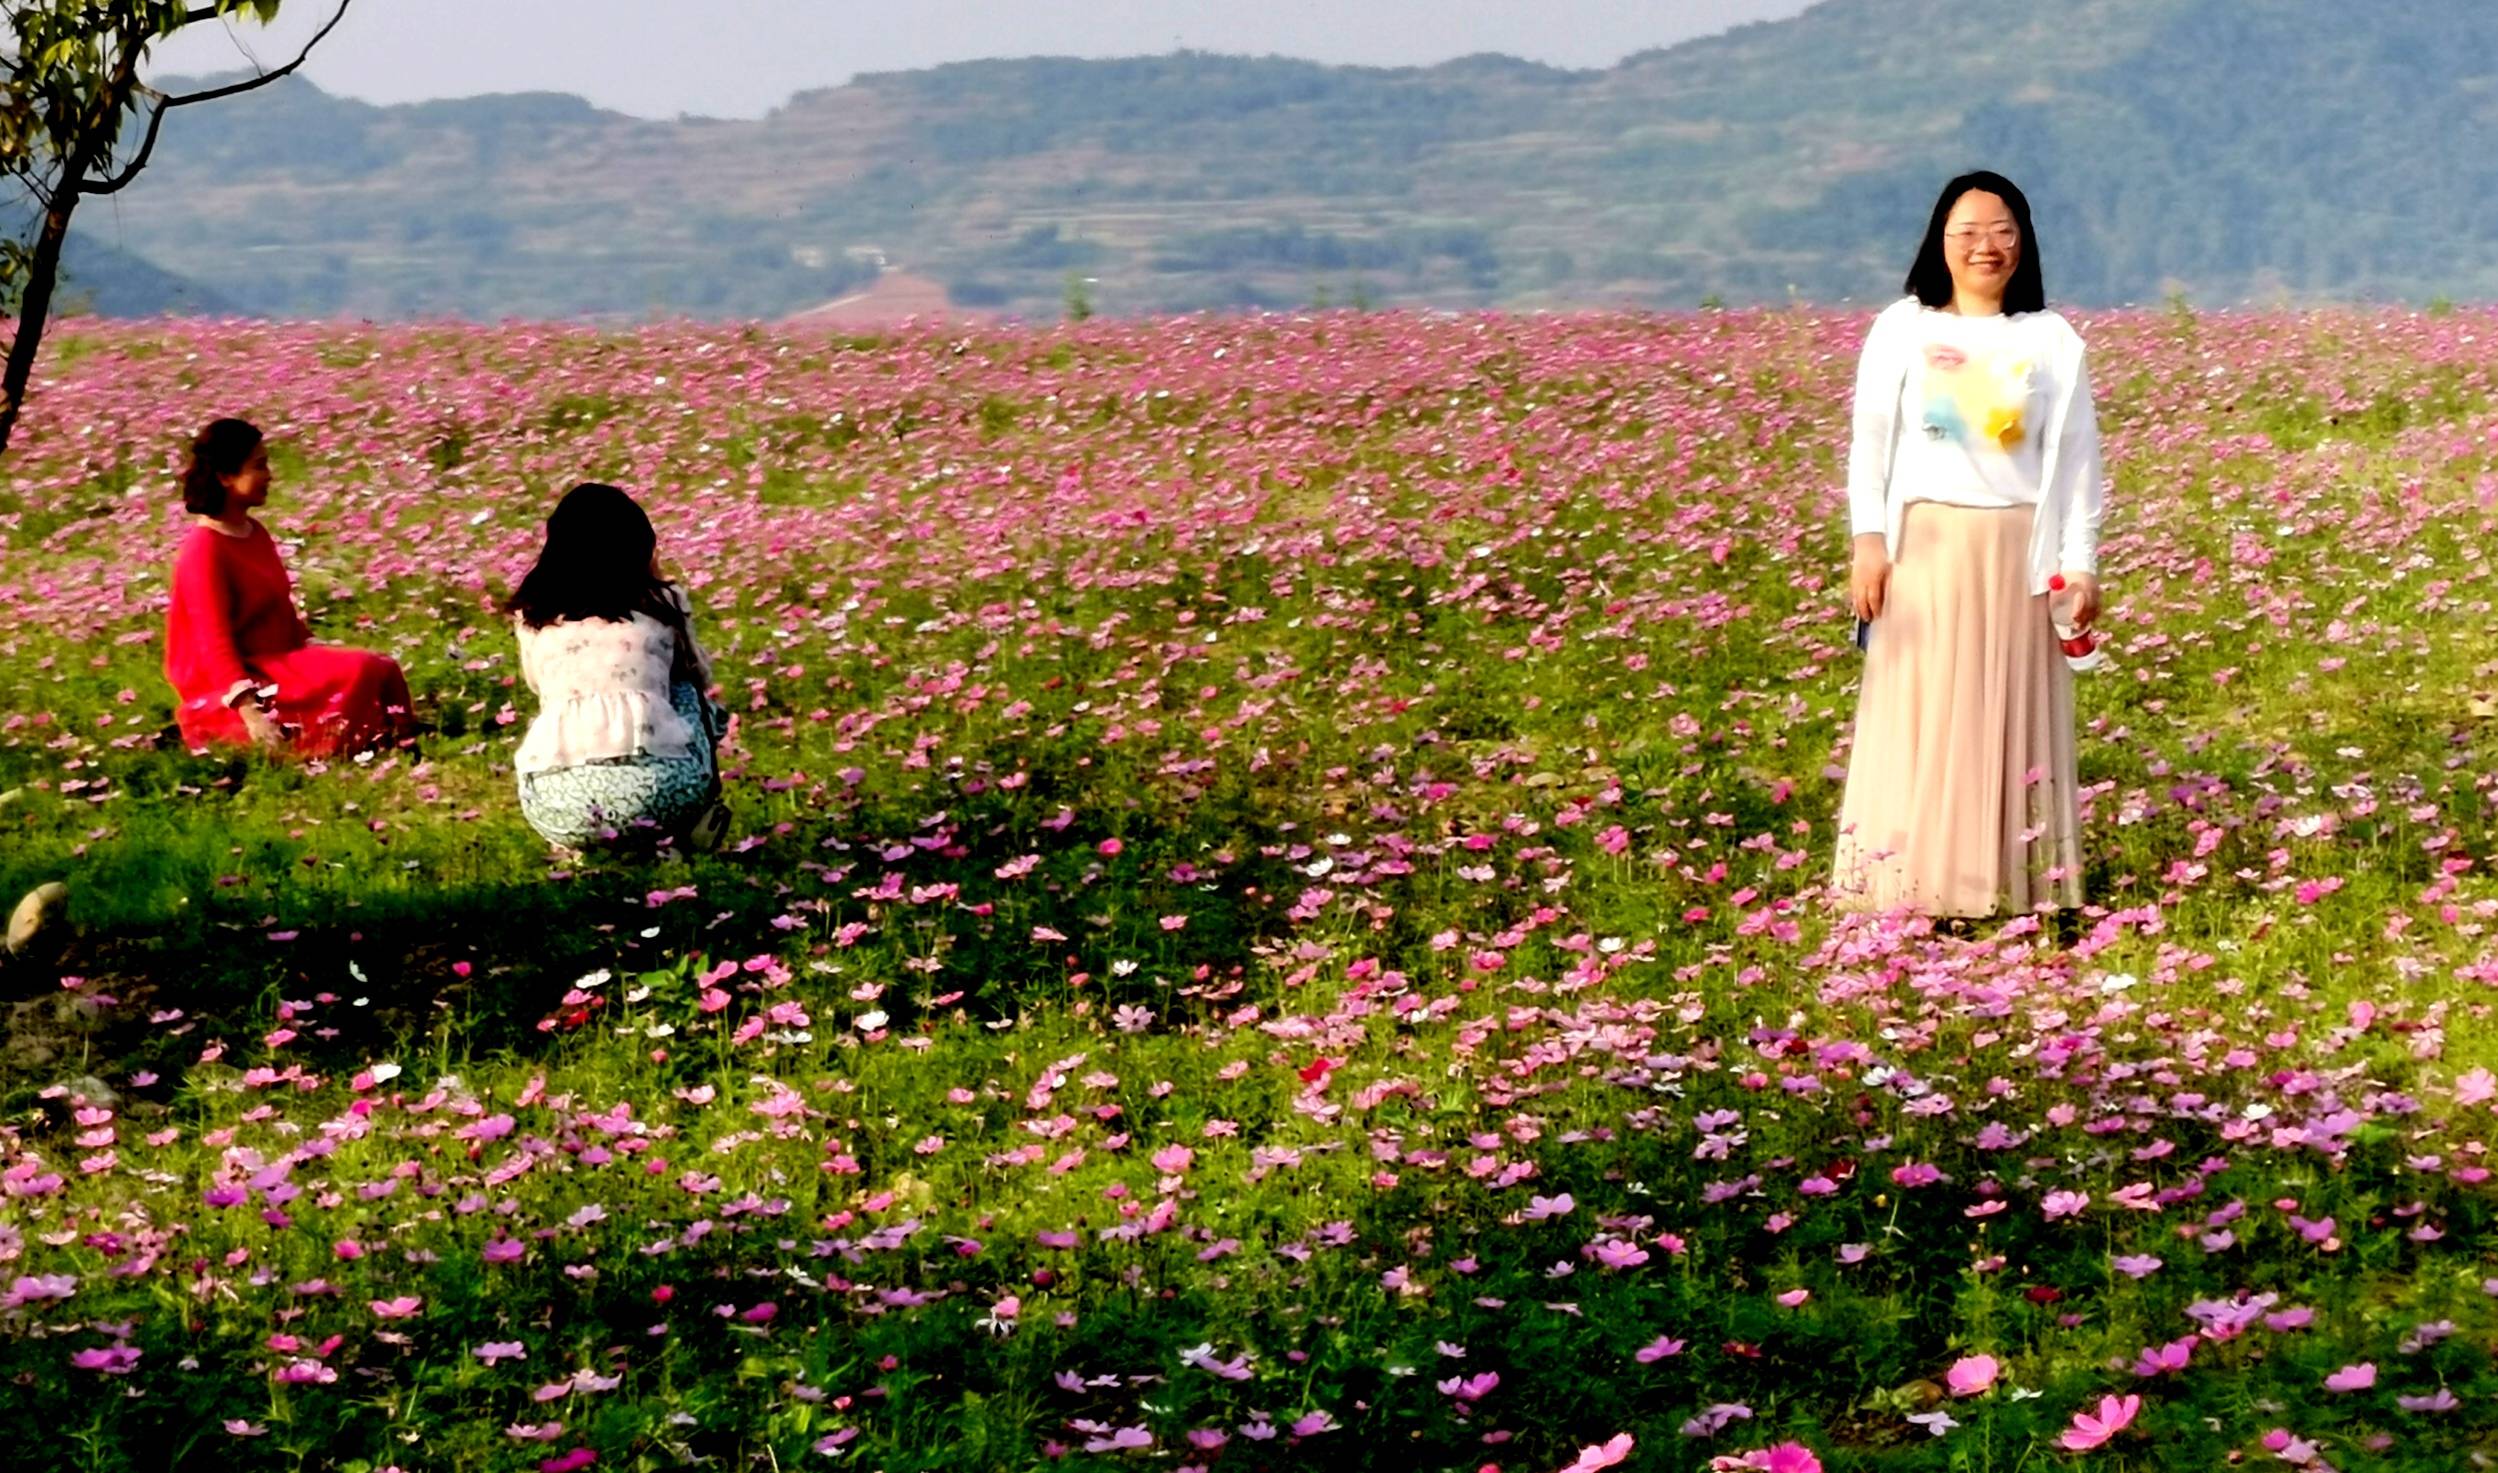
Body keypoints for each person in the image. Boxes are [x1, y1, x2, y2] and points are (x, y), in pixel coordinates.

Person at [1831, 171, 2105, 918]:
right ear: (1940, 244)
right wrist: (1869, 541)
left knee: (2006, 720)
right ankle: (1913, 890)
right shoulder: (1904, 328)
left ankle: (2005, 888)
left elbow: (2079, 463)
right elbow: (1870, 445)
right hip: (1925, 548)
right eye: (1968, 233)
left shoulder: (2050, 340)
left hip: (2019, 551)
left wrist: (2080, 565)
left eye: (2004, 231)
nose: (1987, 247)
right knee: (1925, 716)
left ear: (2025, 242)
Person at [164, 417, 417, 758]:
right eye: (259, 466)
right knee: (361, 670)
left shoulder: (254, 532)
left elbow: (280, 610)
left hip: (280, 661)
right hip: (243, 678)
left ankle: (393, 736)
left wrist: (315, 650)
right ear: (225, 477)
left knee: (380, 667)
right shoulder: (204, 549)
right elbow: (214, 643)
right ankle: (353, 742)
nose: (269, 475)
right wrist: (250, 712)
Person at [507, 482, 729, 854]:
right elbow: (698, 674)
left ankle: (578, 847)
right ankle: (687, 828)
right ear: (639, 547)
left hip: (556, 808)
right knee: (688, 693)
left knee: (561, 704)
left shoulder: (532, 614)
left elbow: (538, 686)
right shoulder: (663, 601)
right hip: (663, 798)